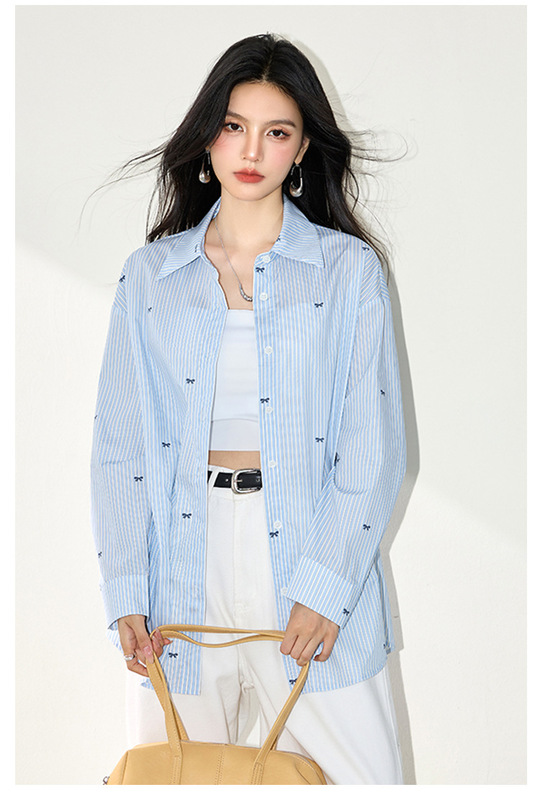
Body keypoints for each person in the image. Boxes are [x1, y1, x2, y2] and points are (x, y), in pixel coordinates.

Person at [90, 33, 407, 785]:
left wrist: (324, 589)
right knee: (179, 777)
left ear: (302, 149)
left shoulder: (347, 272)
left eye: (277, 132)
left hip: (309, 547)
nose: (252, 150)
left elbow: (374, 447)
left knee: (362, 779)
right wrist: (127, 589)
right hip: (181, 561)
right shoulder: (152, 277)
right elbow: (119, 448)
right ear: (208, 136)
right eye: (234, 126)